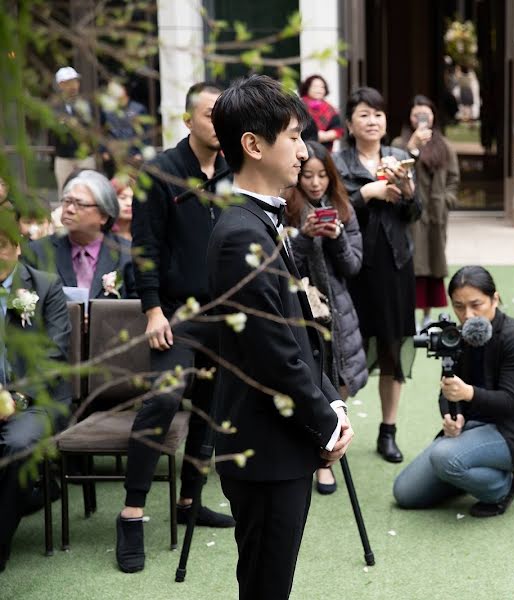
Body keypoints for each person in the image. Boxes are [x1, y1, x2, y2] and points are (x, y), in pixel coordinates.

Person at [208, 74, 353, 600]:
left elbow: (295, 337)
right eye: (292, 136)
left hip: (281, 438)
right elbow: (271, 352)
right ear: (253, 144)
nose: (303, 149)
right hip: (264, 445)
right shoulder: (240, 233)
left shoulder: (262, 221)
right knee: (266, 585)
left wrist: (332, 402)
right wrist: (325, 421)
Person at [118, 82, 234, 574]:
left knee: (212, 408)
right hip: (173, 311)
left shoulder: (236, 169)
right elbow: (144, 247)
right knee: (165, 397)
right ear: (188, 120)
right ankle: (132, 513)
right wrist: (151, 309)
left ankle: (190, 502)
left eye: (223, 115)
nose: (217, 122)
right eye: (210, 114)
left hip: (225, 313)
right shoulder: (160, 172)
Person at [393, 266, 514, 516]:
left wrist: (468, 393)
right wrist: (451, 416)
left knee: (443, 456)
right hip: (472, 427)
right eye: (458, 306)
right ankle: (464, 473)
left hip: (513, 431)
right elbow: (446, 391)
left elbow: (510, 402)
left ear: (495, 298)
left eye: (476, 304)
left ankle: (504, 486)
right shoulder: (456, 336)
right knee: (404, 493)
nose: (467, 314)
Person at [333, 87, 418, 463]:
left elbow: (415, 214)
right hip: (351, 267)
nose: (373, 121)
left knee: (391, 350)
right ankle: (335, 431)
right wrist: (367, 192)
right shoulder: (337, 163)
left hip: (396, 265)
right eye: (364, 114)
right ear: (350, 123)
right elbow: (331, 211)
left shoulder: (400, 157)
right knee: (345, 352)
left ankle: (388, 431)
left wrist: (408, 190)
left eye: (379, 114)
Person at [285, 140, 367, 495]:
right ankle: (319, 459)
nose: (315, 183)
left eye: (322, 175)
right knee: (314, 381)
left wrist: (335, 239)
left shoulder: (343, 208)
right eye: (308, 176)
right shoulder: (288, 209)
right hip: (303, 308)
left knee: (341, 380)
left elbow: (352, 265)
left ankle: (332, 446)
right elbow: (287, 268)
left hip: (339, 309)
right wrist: (304, 238)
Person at [0, 218, 72, 573]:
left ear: (17, 247)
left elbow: (54, 355)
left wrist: (16, 398)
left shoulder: (45, 287)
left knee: (18, 444)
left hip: (37, 402)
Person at [392, 95, 460, 329]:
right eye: (416, 114)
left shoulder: (445, 146)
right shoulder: (400, 144)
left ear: (433, 116)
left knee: (432, 264)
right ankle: (410, 314)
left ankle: (428, 316)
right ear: (409, 118)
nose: (421, 118)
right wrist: (412, 148)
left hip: (436, 215)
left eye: (426, 113)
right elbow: (397, 171)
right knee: (413, 264)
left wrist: (447, 200)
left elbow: (454, 178)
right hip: (411, 216)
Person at [27, 170, 136, 301]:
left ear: (104, 215)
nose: (70, 209)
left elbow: (137, 310)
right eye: (67, 201)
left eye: (80, 204)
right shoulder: (37, 252)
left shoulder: (127, 255)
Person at [49, 67, 97, 197]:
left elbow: (93, 126)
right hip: (63, 156)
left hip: (85, 156)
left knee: (89, 190)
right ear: (60, 85)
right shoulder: (54, 106)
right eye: (69, 82)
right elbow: (53, 130)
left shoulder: (86, 103)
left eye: (75, 81)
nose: (73, 86)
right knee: (64, 192)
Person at [99, 81, 150, 175]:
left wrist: (140, 153)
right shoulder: (107, 111)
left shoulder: (138, 109)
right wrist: (103, 150)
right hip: (113, 158)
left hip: (133, 156)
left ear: (123, 89)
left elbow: (146, 133)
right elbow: (103, 131)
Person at [300, 75, 344, 151]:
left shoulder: (330, 109)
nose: (319, 90)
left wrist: (324, 136)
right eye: (315, 86)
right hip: (302, 149)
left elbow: (338, 130)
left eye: (322, 87)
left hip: (324, 152)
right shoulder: (299, 106)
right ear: (307, 88)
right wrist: (312, 135)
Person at [110, 175, 134, 241]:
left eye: (133, 199)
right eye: (123, 198)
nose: (129, 203)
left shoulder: (142, 234)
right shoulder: (103, 236)